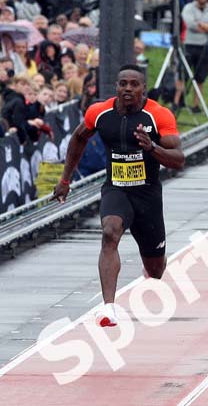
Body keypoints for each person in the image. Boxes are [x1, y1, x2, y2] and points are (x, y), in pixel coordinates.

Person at [52, 65, 185, 327]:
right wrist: (65, 180)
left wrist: (152, 147)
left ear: (143, 88)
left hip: (147, 194)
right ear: (116, 86)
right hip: (116, 188)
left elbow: (179, 159)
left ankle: (153, 262)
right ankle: (108, 308)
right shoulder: (99, 112)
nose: (128, 89)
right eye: (123, 83)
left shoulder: (158, 115)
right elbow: (78, 139)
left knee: (156, 270)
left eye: (134, 84)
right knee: (109, 232)